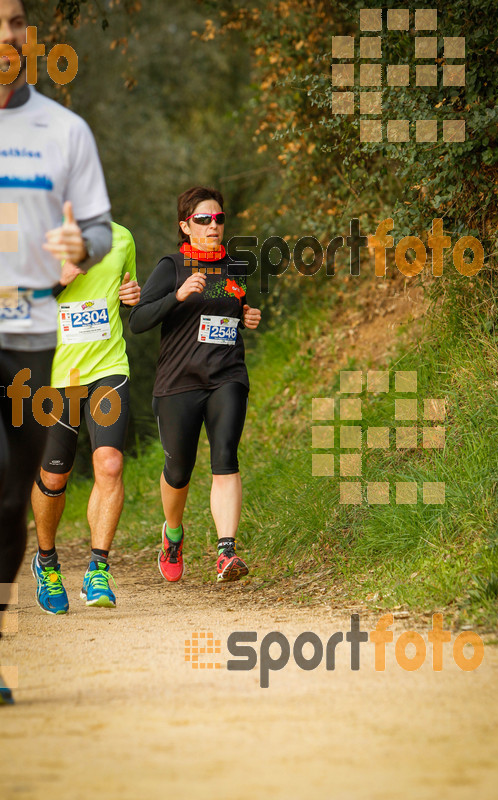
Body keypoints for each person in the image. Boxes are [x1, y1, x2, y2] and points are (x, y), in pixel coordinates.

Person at [0, 0, 112, 703]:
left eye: (13, 20)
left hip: (35, 337)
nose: (4, 34)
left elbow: (98, 228)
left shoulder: (63, 130)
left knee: (13, 497)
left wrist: (82, 245)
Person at [129, 186, 261, 583]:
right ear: (185, 226)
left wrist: (247, 315)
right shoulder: (172, 265)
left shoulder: (234, 265)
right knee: (179, 471)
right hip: (179, 382)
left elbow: (230, 309)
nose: (213, 225)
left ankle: (226, 552)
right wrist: (177, 296)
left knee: (225, 458)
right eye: (203, 219)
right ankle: (173, 534)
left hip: (227, 376)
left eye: (218, 218)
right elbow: (137, 320)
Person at [30, 222, 140, 614]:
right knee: (54, 476)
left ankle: (98, 568)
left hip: (108, 367)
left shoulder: (122, 238)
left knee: (109, 463)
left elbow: (127, 295)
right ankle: (46, 563)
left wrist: (132, 297)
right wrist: (56, 281)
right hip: (56, 375)